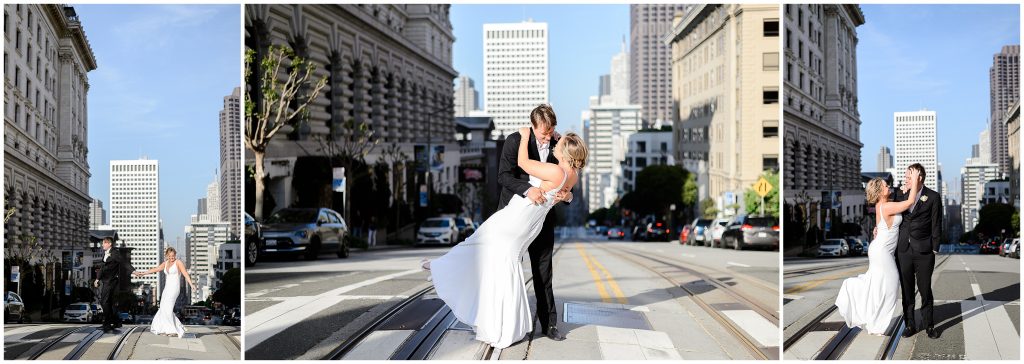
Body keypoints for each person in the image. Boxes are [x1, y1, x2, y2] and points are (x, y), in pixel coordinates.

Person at [424, 111, 587, 348]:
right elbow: (504, 176)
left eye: (554, 132)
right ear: (533, 126)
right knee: (489, 252)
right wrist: (532, 189)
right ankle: (503, 320)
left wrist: (527, 138)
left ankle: (546, 324)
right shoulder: (565, 169)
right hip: (522, 214)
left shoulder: (552, 154)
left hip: (523, 219)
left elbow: (525, 164)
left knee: (532, 269)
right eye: (545, 131)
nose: (551, 136)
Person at [835, 168, 920, 335]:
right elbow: (910, 203)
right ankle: (876, 323)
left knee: (877, 286)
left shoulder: (882, 206)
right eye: (886, 185)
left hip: (879, 249)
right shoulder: (886, 206)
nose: (889, 186)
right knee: (890, 285)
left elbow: (882, 226)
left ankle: (874, 322)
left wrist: (876, 229)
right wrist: (915, 181)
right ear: (880, 192)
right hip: (881, 252)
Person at [892, 163, 943, 339]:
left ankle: (929, 326)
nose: (905, 179)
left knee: (925, 289)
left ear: (919, 177)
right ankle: (910, 325)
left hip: (924, 251)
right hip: (903, 250)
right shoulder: (900, 194)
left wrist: (935, 248)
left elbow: (937, 223)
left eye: (909, 177)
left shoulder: (933, 197)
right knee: (907, 290)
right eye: (906, 177)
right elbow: (891, 213)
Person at [134, 247, 196, 338]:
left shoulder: (178, 262)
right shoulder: (165, 263)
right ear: (167, 256)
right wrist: (143, 273)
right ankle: (169, 328)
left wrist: (191, 284)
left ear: (175, 255)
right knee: (163, 307)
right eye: (170, 256)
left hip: (174, 288)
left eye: (173, 256)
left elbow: (185, 274)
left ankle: (172, 330)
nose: (172, 258)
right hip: (167, 288)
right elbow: (156, 269)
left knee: (168, 308)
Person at [96, 238, 124, 332]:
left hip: (110, 281)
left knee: (105, 302)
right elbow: (102, 268)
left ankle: (108, 323)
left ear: (109, 244)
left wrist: (133, 271)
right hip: (106, 281)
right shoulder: (106, 253)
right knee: (109, 303)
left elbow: (123, 262)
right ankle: (115, 322)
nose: (102, 245)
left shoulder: (115, 252)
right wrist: (97, 279)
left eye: (103, 243)